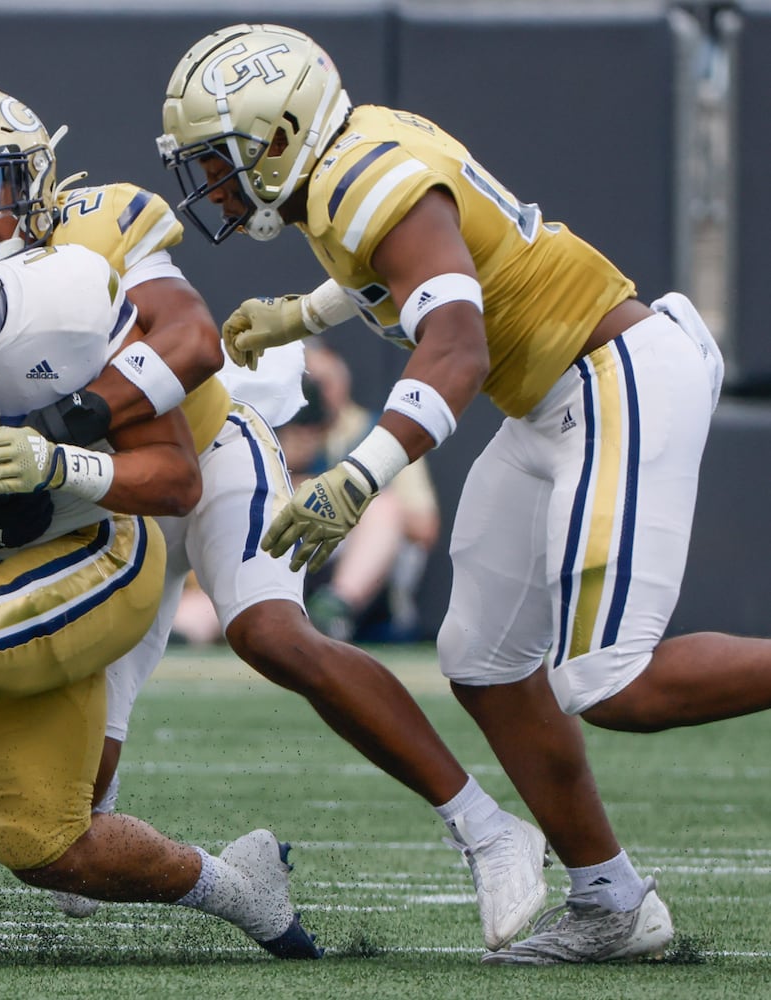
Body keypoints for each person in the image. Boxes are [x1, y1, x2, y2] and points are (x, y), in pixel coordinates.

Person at [0, 85, 548, 950]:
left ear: (40, 174)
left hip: (202, 451)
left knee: (271, 633)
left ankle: (487, 829)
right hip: (94, 508)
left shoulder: (102, 221)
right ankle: (240, 879)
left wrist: (59, 428)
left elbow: (190, 343)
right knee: (66, 832)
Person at [158, 21, 749, 963]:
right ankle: (612, 901)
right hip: (553, 399)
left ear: (280, 135)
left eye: (222, 162)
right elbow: (410, 273)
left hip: (613, 377)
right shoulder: (347, 159)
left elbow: (457, 349)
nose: (214, 187)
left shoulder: (364, 180)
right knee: (481, 659)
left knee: (609, 679)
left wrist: (361, 474)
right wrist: (301, 312)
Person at [0, 171, 322, 970]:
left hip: (101, 546)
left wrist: (54, 460)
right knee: (44, 845)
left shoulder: (69, 303)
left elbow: (176, 479)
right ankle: (241, 887)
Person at [283, 341, 440, 643]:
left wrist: (339, 494)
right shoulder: (276, 433)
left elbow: (424, 526)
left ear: (342, 378)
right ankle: (191, 626)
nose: (315, 392)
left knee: (382, 506)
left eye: (322, 381)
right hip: (291, 565)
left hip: (366, 576)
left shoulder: (382, 434)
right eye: (305, 382)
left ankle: (334, 608)